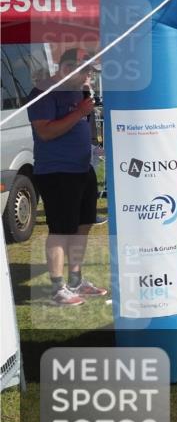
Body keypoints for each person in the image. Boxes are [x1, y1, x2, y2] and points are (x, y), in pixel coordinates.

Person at [27, 48, 108, 306]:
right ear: (66, 68)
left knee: (82, 227)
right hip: (57, 172)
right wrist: (79, 113)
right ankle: (58, 287)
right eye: (84, 71)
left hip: (83, 169)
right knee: (60, 230)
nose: (88, 77)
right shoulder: (43, 93)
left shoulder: (79, 91)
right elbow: (46, 133)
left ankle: (76, 280)